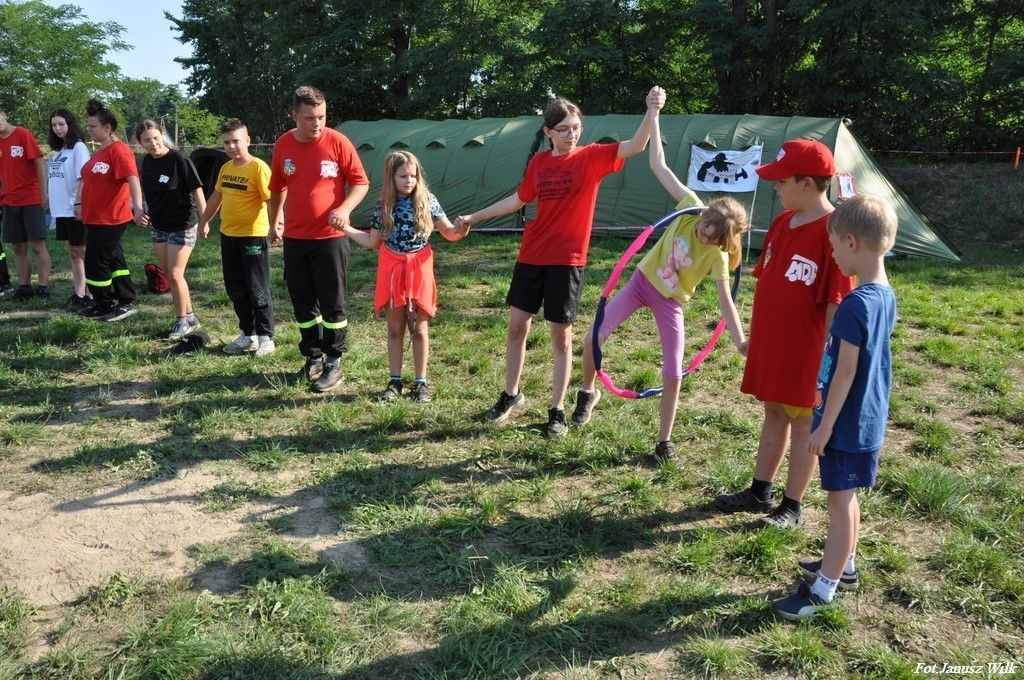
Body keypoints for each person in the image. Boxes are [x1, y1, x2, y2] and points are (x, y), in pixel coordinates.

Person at [454, 86, 666, 438]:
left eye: (577, 127)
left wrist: (652, 111)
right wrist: (474, 217)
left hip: (567, 261)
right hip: (532, 256)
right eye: (564, 129)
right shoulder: (538, 163)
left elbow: (636, 146)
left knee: (561, 338)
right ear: (548, 132)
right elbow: (518, 199)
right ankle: (511, 395)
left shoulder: (592, 157)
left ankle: (557, 410)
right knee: (517, 327)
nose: (572, 134)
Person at [573, 99, 748, 461]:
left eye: (710, 236)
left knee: (673, 370)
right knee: (595, 334)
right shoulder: (689, 207)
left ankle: (664, 440)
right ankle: (588, 391)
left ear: (722, 240)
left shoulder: (717, 256)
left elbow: (725, 302)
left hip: (671, 301)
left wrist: (741, 341)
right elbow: (657, 164)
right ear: (702, 214)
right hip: (641, 283)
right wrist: (653, 112)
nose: (702, 235)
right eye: (702, 227)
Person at [714, 139, 855, 528]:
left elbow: (835, 302)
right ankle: (760, 489)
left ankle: (791, 506)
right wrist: (757, 338)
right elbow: (770, 281)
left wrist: (826, 363)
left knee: (803, 422)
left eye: (781, 180)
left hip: (806, 352)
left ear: (807, 183)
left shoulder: (834, 232)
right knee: (773, 412)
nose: (775, 187)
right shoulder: (782, 221)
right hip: (774, 343)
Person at [773, 194, 898, 620]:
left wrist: (822, 427)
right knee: (846, 499)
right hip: (869, 416)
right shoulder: (885, 295)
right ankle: (843, 566)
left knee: (838, 503)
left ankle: (822, 591)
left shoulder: (854, 306)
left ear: (851, 243)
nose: (830, 254)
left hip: (845, 423)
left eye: (831, 245)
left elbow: (844, 373)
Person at [340, 150, 470, 402]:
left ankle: (421, 382)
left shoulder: (428, 201)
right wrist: (345, 228)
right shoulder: (383, 206)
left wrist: (463, 228)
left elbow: (450, 234)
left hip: (420, 266)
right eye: (403, 176)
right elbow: (372, 241)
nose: (408, 181)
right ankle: (395, 381)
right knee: (395, 327)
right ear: (391, 177)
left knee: (420, 328)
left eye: (413, 176)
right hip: (392, 266)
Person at [269, 85, 370, 392]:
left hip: (330, 238)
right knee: (302, 304)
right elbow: (278, 186)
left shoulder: (338, 142)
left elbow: (360, 183)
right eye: (310, 118)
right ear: (294, 115)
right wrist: (276, 221)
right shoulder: (283, 144)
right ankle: (312, 357)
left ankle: (334, 363)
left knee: (332, 303)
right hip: (296, 239)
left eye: (322, 117)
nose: (317, 124)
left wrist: (344, 207)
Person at [198, 118, 276, 357]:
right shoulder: (226, 168)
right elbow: (216, 197)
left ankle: (265, 337)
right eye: (226, 142)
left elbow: (271, 199)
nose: (231, 147)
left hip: (253, 237)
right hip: (228, 236)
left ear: (248, 141)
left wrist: (276, 225)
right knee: (236, 288)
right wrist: (204, 220)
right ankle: (247, 334)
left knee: (257, 288)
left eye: (236, 141)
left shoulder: (259, 168)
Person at [134, 119, 207, 340]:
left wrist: (204, 221)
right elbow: (147, 192)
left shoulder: (179, 159)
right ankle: (191, 315)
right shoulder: (146, 162)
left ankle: (182, 322)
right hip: (159, 224)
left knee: (175, 274)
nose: (153, 143)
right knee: (170, 273)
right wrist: (142, 210)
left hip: (183, 223)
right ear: (140, 143)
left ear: (162, 135)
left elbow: (197, 191)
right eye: (147, 140)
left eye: (156, 138)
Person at [77, 98, 144, 321]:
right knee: (115, 260)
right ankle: (125, 300)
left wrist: (137, 206)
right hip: (94, 217)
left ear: (107, 128)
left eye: (93, 126)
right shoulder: (100, 151)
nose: (90, 130)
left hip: (111, 218)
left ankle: (103, 303)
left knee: (96, 262)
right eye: (89, 126)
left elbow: (132, 178)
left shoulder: (119, 150)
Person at [0, 107, 51, 301]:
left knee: (38, 245)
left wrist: (43, 193)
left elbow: (39, 163)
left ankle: (44, 287)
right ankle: (25, 287)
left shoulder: (23, 134)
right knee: (18, 248)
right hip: (9, 201)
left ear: (4, 114)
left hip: (31, 199)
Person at [47, 108, 92, 309]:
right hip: (61, 211)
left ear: (70, 125)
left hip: (75, 209)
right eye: (54, 125)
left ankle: (91, 293)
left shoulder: (79, 148)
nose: (57, 128)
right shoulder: (61, 151)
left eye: (61, 124)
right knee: (72, 252)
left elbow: (83, 177)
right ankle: (79, 293)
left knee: (81, 251)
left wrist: (79, 203)